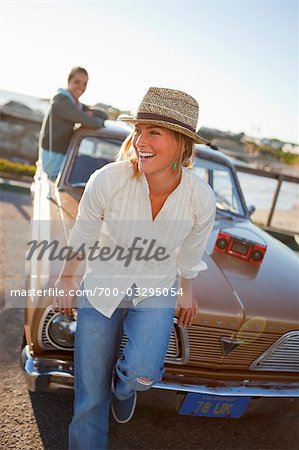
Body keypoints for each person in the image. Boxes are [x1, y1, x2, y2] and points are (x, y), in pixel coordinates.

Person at [53, 87, 216, 450]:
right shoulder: (108, 180)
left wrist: (186, 292)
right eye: (138, 130)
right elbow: (83, 234)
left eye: (153, 132)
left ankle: (124, 388)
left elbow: (190, 253)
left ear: (182, 144)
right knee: (89, 396)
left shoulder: (200, 198)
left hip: (156, 288)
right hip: (103, 285)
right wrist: (67, 279)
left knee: (143, 374)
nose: (140, 140)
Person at [39, 66, 107, 179]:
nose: (81, 87)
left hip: (63, 156)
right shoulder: (62, 101)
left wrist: (88, 114)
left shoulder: (75, 104)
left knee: (95, 165)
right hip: (53, 160)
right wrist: (89, 117)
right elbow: (94, 123)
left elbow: (103, 115)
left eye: (84, 84)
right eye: (77, 82)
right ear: (69, 81)